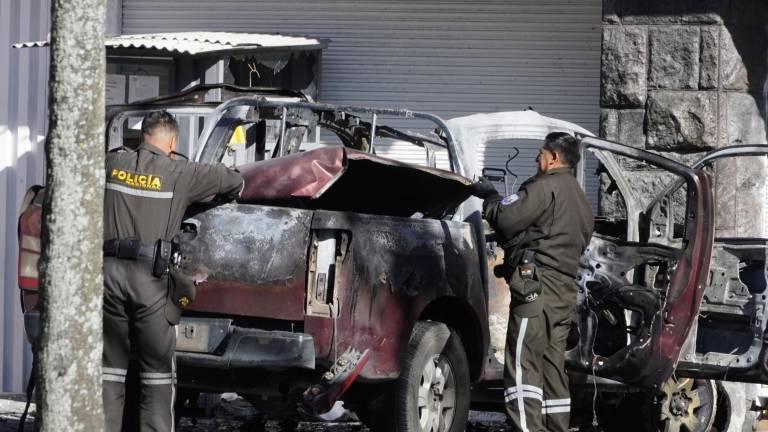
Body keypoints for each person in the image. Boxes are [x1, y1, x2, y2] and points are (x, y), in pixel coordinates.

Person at [101, 110, 244, 431]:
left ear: (142, 136)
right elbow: (231, 180)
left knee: (109, 371)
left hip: (108, 276)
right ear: (173, 142)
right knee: (157, 375)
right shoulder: (180, 172)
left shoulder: (113, 163)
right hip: (150, 282)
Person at [470, 132, 593, 432]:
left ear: (554, 157)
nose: (536, 158)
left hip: (536, 288)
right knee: (552, 367)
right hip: (565, 293)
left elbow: (505, 218)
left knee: (523, 362)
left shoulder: (544, 187)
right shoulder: (581, 199)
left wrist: (490, 195)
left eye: (540, 153)